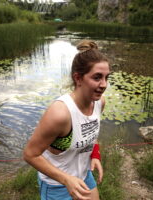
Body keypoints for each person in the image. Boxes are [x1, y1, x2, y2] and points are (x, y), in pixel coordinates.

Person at [23, 40, 110, 200]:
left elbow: (90, 131)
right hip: (57, 185)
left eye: (106, 77)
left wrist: (95, 155)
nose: (104, 84)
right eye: (97, 77)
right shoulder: (60, 113)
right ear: (78, 78)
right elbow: (30, 154)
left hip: (84, 176)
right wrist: (66, 179)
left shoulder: (99, 102)